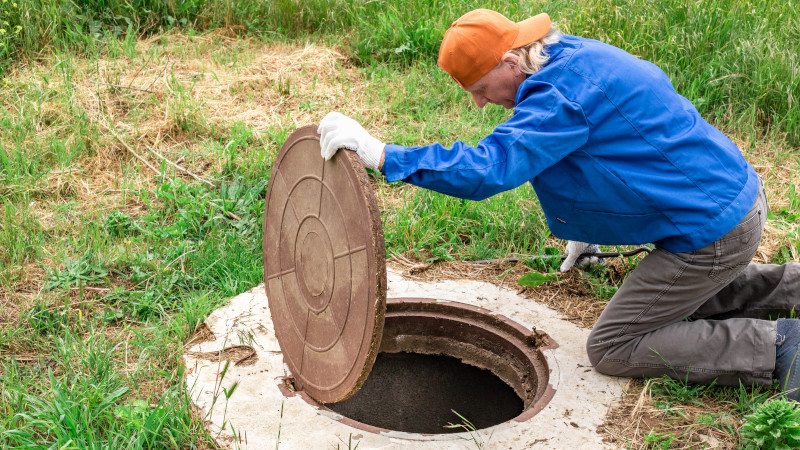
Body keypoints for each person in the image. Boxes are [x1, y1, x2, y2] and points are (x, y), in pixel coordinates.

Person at [317, 9, 800, 397]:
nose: (481, 104)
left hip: (711, 233)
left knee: (613, 346)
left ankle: (779, 349)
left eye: (481, 90)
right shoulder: (569, 55)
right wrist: (591, 224)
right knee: (676, 300)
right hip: (730, 201)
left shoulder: (557, 97)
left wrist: (384, 155)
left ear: (510, 62)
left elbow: (491, 167)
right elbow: (610, 144)